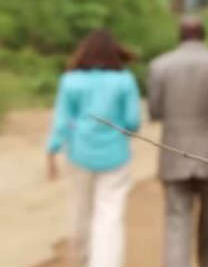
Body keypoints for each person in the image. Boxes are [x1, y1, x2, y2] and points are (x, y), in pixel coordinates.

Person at [46, 29, 141, 267]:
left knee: (81, 213)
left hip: (80, 154)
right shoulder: (125, 80)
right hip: (116, 157)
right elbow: (132, 121)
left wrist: (52, 150)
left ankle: (83, 260)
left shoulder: (70, 80)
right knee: (109, 217)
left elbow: (62, 122)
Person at [148, 16, 208, 267]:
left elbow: (155, 111)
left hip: (173, 154)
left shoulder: (159, 66)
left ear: (180, 36)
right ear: (204, 35)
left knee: (177, 219)